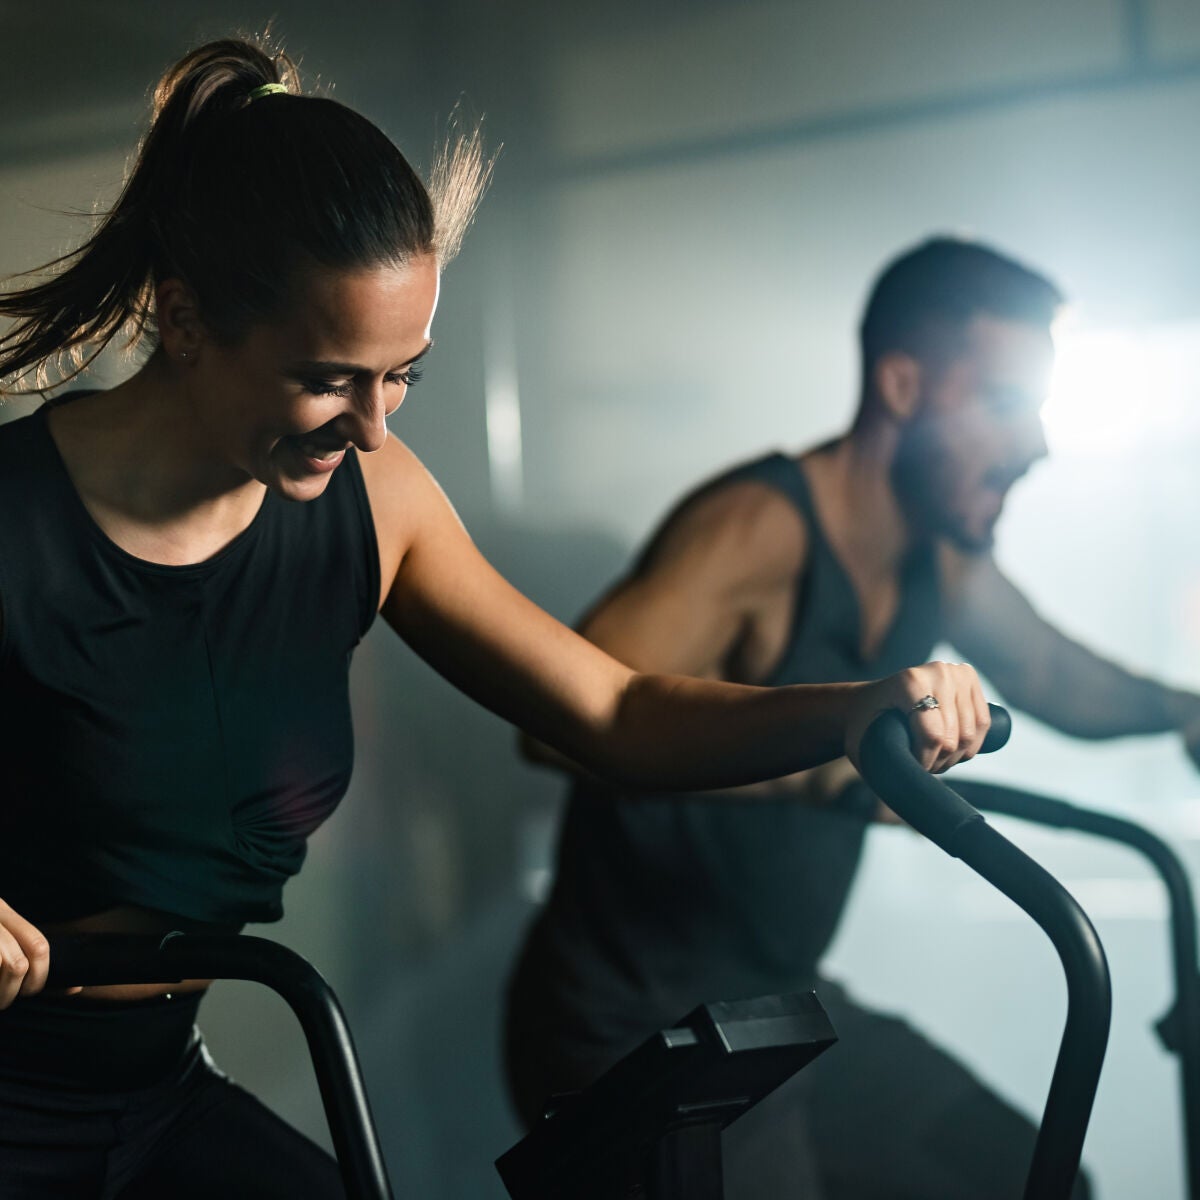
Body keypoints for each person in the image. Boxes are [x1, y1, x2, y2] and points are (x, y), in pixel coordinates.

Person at [0, 38, 990, 1199]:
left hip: (160, 1087)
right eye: (328, 378)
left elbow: (614, 709)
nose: (371, 427)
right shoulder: (18, 518)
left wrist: (856, 710)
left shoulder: (378, 501)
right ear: (182, 319)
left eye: (402, 374)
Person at [504, 237, 1200, 1200]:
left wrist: (1187, 712)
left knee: (1036, 1185)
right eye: (1004, 404)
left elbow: (1053, 672)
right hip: (632, 1024)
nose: (1034, 443)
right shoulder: (760, 528)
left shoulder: (941, 548)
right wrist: (834, 761)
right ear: (903, 386)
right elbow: (557, 721)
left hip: (774, 1003)